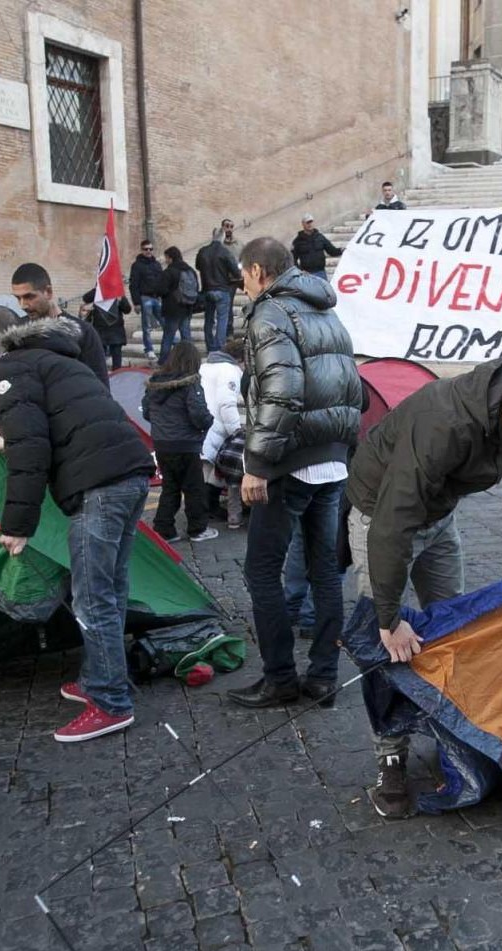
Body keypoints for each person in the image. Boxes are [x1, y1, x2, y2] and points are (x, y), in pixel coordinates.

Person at [344, 358, 502, 818]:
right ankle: (390, 753)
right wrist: (389, 618)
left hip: (438, 516)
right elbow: (392, 524)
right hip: (380, 517)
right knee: (388, 645)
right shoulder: (443, 426)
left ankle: (455, 732)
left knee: (455, 629)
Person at [0, 305, 156, 742]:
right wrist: (7, 437)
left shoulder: (7, 370)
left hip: (99, 486)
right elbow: (44, 426)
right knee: (110, 587)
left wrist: (18, 526)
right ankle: (98, 677)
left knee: (92, 598)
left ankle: (111, 702)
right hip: (131, 472)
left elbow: (30, 450)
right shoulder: (56, 358)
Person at [224, 237, 362, 711]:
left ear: (259, 270)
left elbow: (281, 392)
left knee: (261, 570)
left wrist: (257, 464)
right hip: (332, 457)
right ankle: (323, 675)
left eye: (243, 275)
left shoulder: (270, 313)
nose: (242, 285)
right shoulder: (327, 309)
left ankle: (279, 677)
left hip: (291, 460)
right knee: (325, 570)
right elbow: (351, 383)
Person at [142, 341, 218, 544]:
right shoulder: (190, 384)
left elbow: (148, 412)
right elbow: (199, 415)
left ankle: (163, 528)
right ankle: (197, 529)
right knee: (194, 488)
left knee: (170, 486)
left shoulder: (154, 384)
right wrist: (208, 422)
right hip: (185, 443)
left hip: (162, 443)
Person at [10, 262, 110, 387]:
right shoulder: (18, 331)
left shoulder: (83, 332)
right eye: (18, 298)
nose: (23, 305)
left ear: (48, 292)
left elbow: (101, 388)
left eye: (29, 297)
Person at [199, 336, 247, 530]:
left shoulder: (207, 367)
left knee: (207, 472)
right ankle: (207, 509)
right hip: (215, 426)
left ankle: (207, 508)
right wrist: (236, 430)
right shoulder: (230, 371)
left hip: (203, 426)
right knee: (211, 472)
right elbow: (226, 403)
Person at [195, 227, 244, 353]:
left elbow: (198, 266)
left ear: (213, 236)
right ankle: (220, 346)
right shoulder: (225, 252)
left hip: (207, 289)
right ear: (222, 237)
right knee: (222, 319)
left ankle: (210, 346)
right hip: (222, 289)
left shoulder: (203, 251)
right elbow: (236, 272)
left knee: (209, 319)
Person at [151, 246, 200, 363]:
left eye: (166, 257)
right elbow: (196, 287)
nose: (165, 260)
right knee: (186, 336)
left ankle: (163, 361)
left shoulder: (169, 272)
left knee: (168, 336)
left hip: (172, 309)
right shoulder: (190, 270)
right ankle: (189, 361)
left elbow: (161, 289)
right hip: (187, 307)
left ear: (170, 258)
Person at [80, 287, 134, 369]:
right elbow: (86, 298)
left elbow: (127, 310)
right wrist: (98, 289)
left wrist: (121, 299)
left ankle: (117, 376)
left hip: (116, 330)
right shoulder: (98, 291)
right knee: (100, 359)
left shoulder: (117, 293)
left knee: (116, 359)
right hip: (100, 329)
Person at [129, 240, 164, 357]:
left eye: (150, 249)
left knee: (165, 323)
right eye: (146, 249)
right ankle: (149, 349)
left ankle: (171, 344)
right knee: (147, 326)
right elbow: (133, 285)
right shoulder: (137, 265)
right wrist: (136, 303)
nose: (148, 251)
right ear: (141, 250)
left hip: (157, 297)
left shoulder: (157, 264)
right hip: (145, 297)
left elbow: (162, 280)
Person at [292, 214, 343, 281]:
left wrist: (342, 250)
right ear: (303, 224)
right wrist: (300, 271)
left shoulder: (320, 237)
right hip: (306, 275)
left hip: (321, 273)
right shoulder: (297, 241)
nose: (310, 224)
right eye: (307, 222)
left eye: (311, 222)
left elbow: (332, 251)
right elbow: (293, 259)